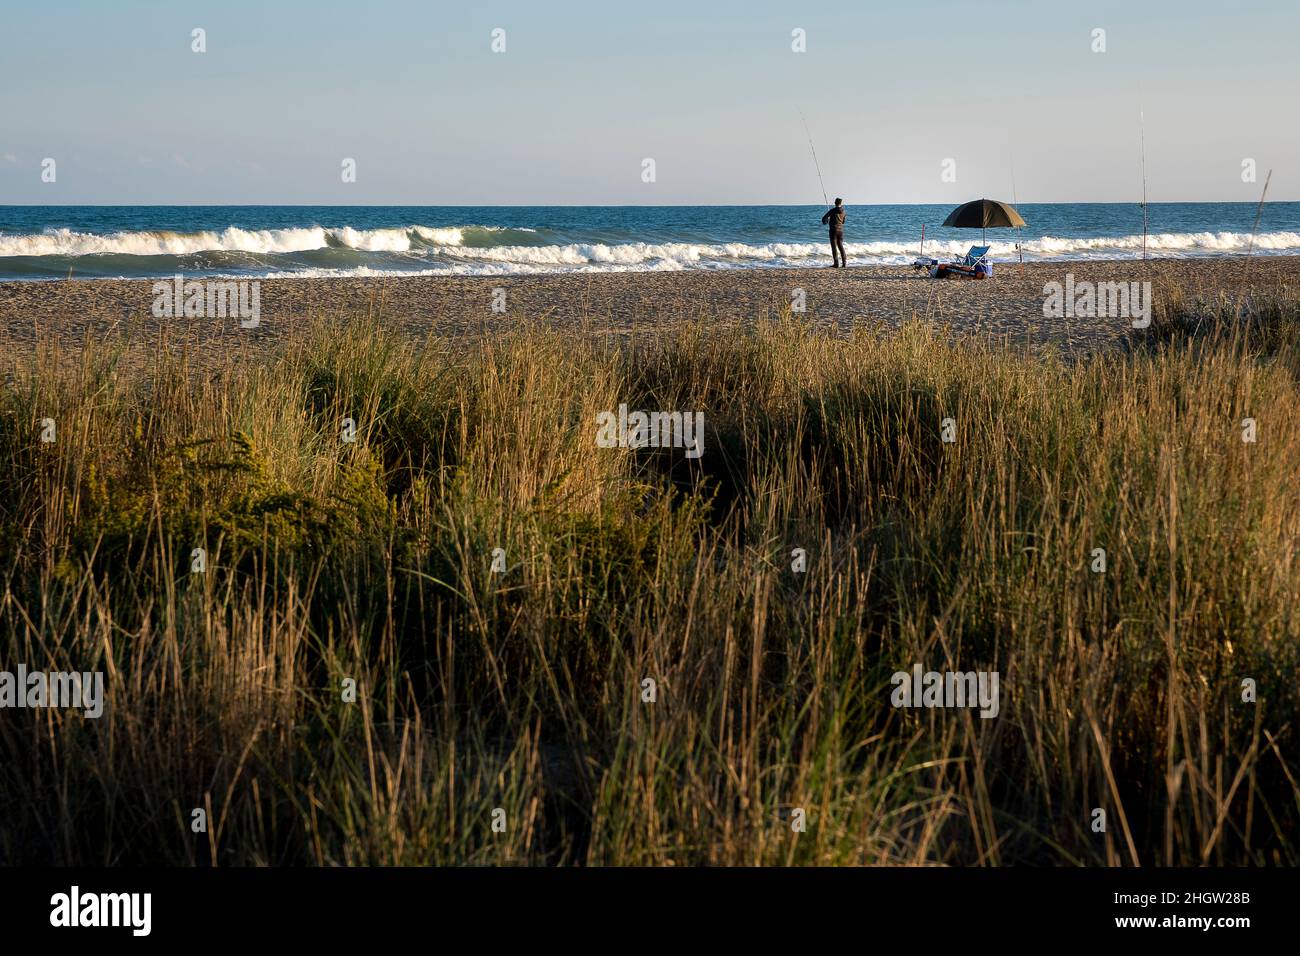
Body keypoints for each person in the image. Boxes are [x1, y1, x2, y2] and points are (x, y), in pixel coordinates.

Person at [821, 198, 847, 267]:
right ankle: (844, 263)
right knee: (841, 246)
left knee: (834, 247)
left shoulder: (832, 210)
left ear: (835, 203)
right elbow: (843, 222)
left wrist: (827, 221)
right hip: (840, 231)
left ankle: (836, 264)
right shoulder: (844, 211)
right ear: (841, 203)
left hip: (833, 230)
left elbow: (824, 218)